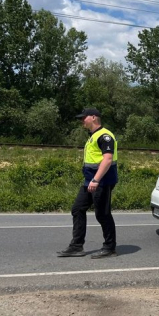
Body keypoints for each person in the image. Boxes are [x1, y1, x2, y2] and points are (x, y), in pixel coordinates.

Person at [57, 108, 119, 259]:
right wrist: (91, 180)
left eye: (83, 118)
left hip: (102, 181)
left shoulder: (105, 136)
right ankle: (77, 246)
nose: (81, 121)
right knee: (77, 209)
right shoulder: (93, 135)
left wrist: (96, 180)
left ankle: (110, 247)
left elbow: (108, 159)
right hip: (90, 181)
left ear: (93, 117)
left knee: (102, 214)